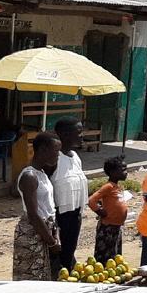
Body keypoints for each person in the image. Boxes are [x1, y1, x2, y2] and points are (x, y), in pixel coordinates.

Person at [13, 132, 61, 281]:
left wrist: (55, 234)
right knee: (32, 278)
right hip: (34, 232)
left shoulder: (42, 174)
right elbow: (33, 215)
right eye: (56, 151)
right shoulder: (29, 177)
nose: (58, 155)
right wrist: (52, 243)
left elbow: (49, 208)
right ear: (43, 150)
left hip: (45, 231)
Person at [52, 117, 89, 273]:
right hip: (60, 216)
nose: (82, 135)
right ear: (65, 135)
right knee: (59, 255)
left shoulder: (75, 157)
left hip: (75, 215)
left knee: (69, 250)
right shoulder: (53, 159)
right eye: (79, 132)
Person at [88, 157, 129, 264]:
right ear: (112, 172)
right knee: (105, 256)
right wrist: (99, 211)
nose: (126, 172)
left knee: (114, 254)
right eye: (123, 170)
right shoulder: (108, 187)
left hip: (116, 227)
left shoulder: (117, 187)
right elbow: (92, 200)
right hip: (107, 228)